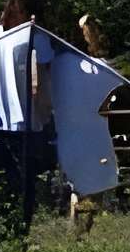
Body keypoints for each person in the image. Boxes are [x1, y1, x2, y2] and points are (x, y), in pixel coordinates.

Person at [0, 0, 52, 234]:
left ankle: (8, 227)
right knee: (25, 181)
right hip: (26, 120)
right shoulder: (34, 36)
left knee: (9, 178)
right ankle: (21, 230)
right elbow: (45, 70)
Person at [49, 14, 125, 236]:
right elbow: (110, 99)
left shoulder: (59, 65)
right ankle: (80, 233)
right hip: (94, 136)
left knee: (78, 186)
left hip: (68, 135)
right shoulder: (100, 68)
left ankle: (76, 232)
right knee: (96, 187)